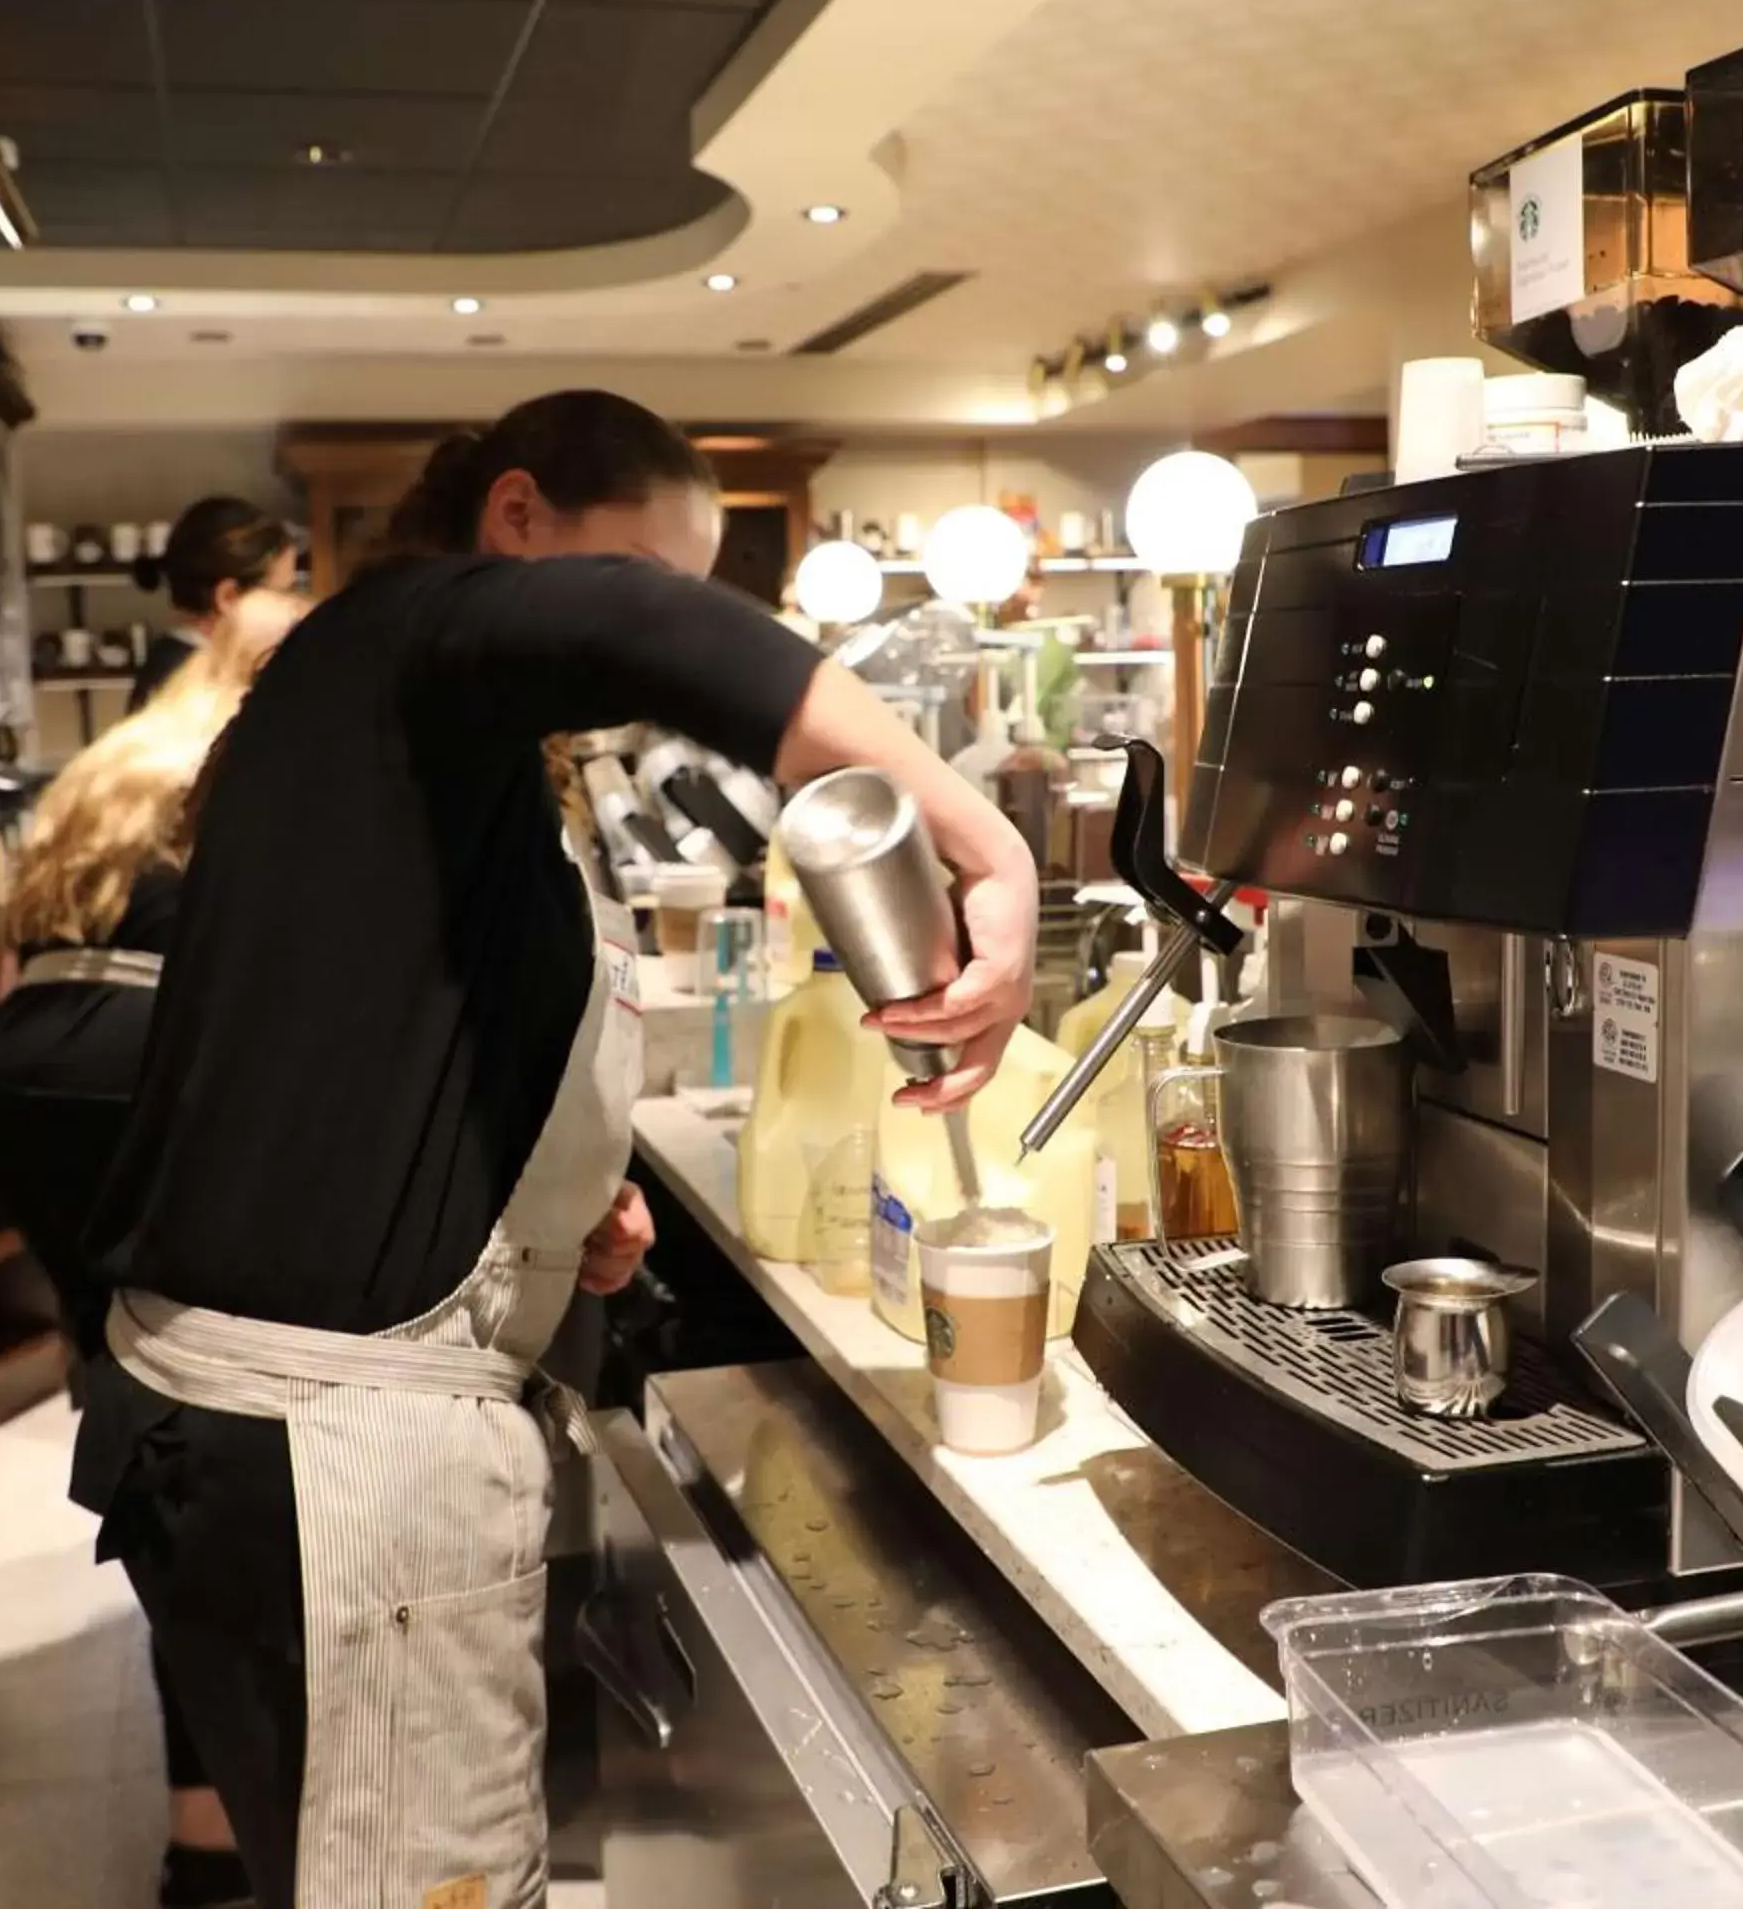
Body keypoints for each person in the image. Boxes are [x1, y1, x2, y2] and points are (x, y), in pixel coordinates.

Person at [69, 389, 1038, 1908]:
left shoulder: (421, 738)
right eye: (645, 575)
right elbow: (642, 635)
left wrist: (540, 1204)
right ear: (514, 519)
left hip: (267, 1429)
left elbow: (379, 1043)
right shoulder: (406, 639)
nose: (647, 625)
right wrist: (987, 843)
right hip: (335, 1465)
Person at [0, 586, 306, 1909]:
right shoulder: (258, 766)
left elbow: (12, 958)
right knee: (208, 1425)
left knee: (140, 1393)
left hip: (32, 1084)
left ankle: (203, 1833)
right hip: (146, 1082)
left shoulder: (120, 753)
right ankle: (229, 1832)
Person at [129, 497, 300, 711]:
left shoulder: (196, 666)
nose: (291, 612)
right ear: (228, 597)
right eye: (282, 594)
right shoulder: (189, 686)